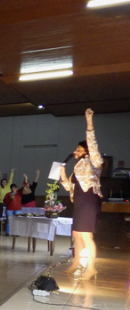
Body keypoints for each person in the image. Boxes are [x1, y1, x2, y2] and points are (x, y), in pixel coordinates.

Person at [60, 108, 103, 279]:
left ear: (87, 151)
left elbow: (92, 143)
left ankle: (91, 267)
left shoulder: (94, 161)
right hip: (78, 201)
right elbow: (69, 187)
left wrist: (89, 122)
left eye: (79, 149)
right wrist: (62, 173)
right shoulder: (78, 167)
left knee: (86, 235)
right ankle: (76, 262)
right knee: (77, 234)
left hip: (88, 200)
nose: (75, 152)